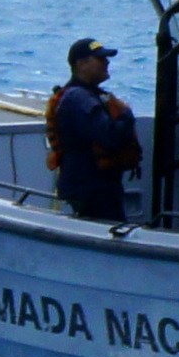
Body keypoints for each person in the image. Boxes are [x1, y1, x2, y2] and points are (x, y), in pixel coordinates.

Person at [47, 39, 139, 223]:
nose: (107, 62)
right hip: (90, 189)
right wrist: (126, 115)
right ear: (81, 64)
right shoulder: (78, 98)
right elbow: (110, 135)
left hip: (99, 187)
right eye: (100, 59)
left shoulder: (92, 95)